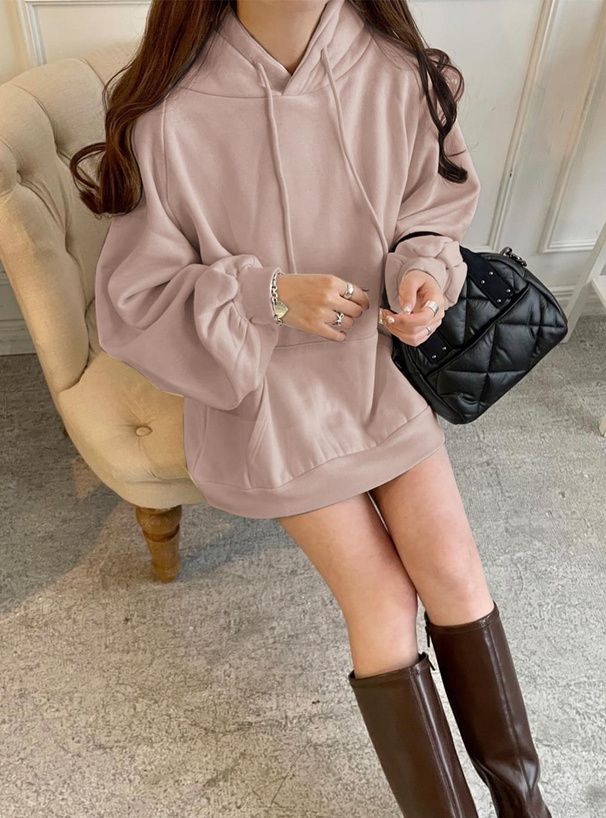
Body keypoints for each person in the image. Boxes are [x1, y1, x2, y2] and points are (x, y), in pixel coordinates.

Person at [72, 0, 553, 815]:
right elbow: (136, 299)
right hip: (266, 400)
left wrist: (421, 275)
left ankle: (523, 804)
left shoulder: (397, 71)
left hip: (380, 375)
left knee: (454, 570)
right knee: (383, 600)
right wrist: (266, 295)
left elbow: (428, 214)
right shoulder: (171, 109)